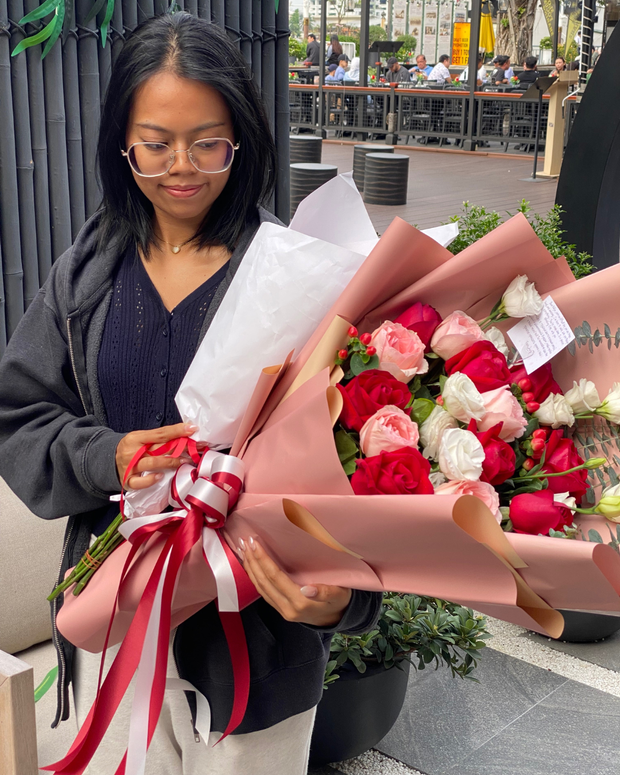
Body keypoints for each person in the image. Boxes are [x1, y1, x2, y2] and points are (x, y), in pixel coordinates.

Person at [0, 13, 382, 775]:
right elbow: (20, 414)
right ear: (122, 142)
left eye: (208, 141)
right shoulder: (85, 276)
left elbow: (362, 468)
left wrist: (346, 602)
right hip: (111, 624)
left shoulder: (301, 285)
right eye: (156, 141)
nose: (183, 166)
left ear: (241, 138)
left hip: (257, 654)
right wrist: (106, 454)